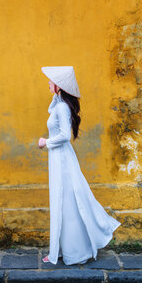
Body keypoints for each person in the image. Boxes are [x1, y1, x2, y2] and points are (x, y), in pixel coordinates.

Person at [38, 66, 122, 265]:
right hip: (59, 157)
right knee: (63, 201)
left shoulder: (61, 107)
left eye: (51, 81)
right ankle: (61, 249)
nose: (48, 83)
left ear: (58, 85)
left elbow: (65, 135)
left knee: (66, 202)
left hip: (61, 158)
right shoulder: (59, 104)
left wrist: (46, 142)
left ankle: (75, 251)